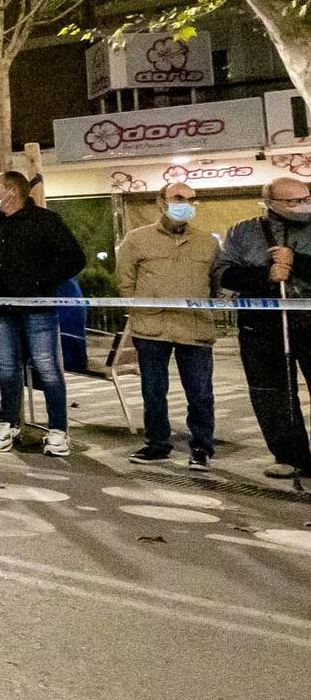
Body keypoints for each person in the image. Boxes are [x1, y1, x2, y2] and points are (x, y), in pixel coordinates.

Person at [0, 172, 85, 454]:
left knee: (46, 366)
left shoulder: (45, 221)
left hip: (38, 308)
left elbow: (74, 258)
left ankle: (58, 430)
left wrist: (40, 282)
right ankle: (8, 422)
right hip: (1, 308)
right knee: (7, 366)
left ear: (12, 191)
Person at [115, 183, 218, 468]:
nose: (186, 204)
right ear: (161, 202)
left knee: (200, 392)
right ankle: (157, 444)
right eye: (178, 198)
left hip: (194, 327)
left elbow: (216, 285)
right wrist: (138, 310)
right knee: (153, 390)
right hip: (151, 327)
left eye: (191, 200)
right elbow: (124, 280)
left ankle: (201, 447)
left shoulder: (208, 242)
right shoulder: (136, 239)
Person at [215, 179, 311, 478]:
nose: (301, 206)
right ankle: (289, 456)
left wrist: (297, 262)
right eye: (291, 201)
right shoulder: (243, 232)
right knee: (271, 393)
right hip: (262, 328)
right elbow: (224, 274)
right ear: (269, 202)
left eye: (305, 198)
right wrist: (267, 274)